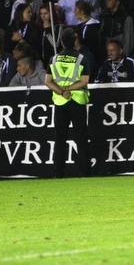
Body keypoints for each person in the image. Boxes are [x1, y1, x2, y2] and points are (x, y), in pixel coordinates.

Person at [45, 28, 92, 178]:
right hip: (77, 100)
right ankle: (84, 171)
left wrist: (61, 91)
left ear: (62, 42)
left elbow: (48, 81)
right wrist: (69, 89)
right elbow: (84, 81)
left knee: (60, 139)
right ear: (75, 41)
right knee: (81, 137)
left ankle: (58, 173)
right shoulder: (82, 59)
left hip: (60, 102)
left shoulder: (53, 59)